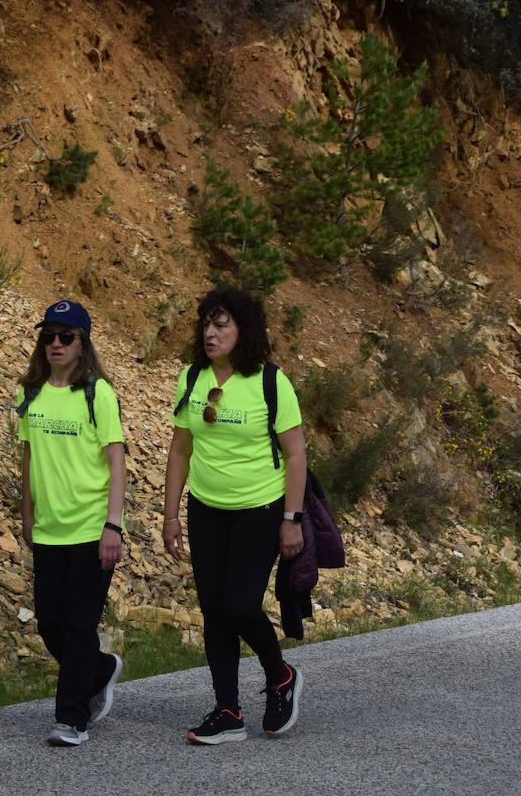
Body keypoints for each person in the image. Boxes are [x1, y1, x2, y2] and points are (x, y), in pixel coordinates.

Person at [161, 286, 308, 744]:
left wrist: (292, 518)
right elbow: (180, 449)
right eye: (206, 323)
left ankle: (279, 674)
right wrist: (170, 515)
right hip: (206, 509)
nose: (210, 332)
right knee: (214, 612)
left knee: (240, 604)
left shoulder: (270, 381)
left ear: (243, 331)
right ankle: (228, 711)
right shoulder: (191, 378)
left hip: (260, 511)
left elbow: (297, 453)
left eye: (221, 324)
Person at [17, 300, 127, 747]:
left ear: (84, 344)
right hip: (48, 529)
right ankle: (99, 670)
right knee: (49, 624)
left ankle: (71, 718)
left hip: (90, 529)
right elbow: (27, 460)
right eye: (49, 336)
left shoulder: (97, 393)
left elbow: (116, 463)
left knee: (78, 626)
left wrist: (112, 526)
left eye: (66, 337)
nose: (56, 344)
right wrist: (26, 513)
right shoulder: (32, 392)